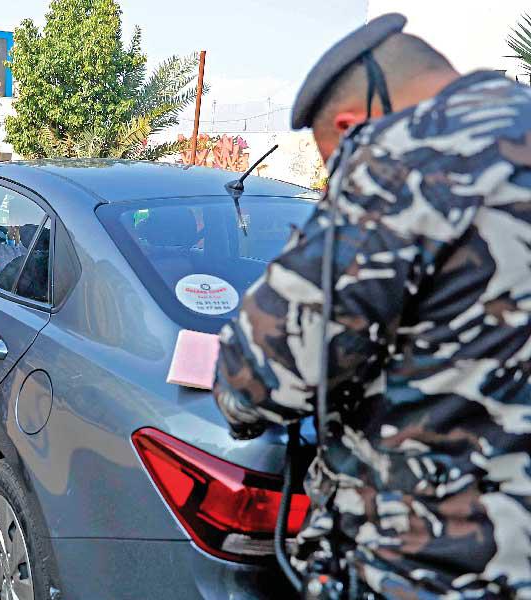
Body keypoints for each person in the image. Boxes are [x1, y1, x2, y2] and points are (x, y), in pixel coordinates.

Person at [213, 13, 531, 599]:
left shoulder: (404, 157)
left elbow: (250, 379)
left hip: (438, 569)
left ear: (353, 127)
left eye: (335, 167)